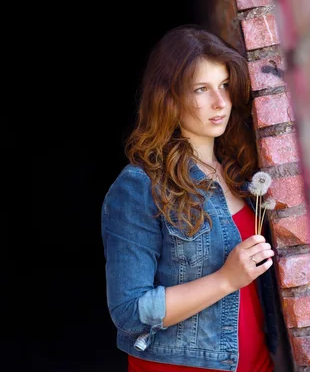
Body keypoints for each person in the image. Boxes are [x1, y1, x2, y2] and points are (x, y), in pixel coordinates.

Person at [101, 24, 284, 372]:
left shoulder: (239, 170)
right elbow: (128, 312)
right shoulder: (141, 186)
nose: (220, 103)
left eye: (225, 86)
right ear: (169, 98)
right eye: (201, 89)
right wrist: (226, 279)